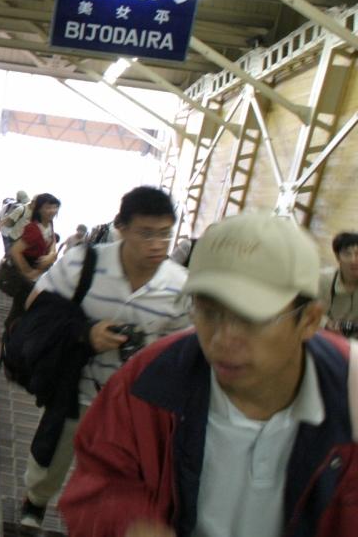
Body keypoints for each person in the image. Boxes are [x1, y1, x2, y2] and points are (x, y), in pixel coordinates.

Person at [60, 212, 358, 537]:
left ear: (309, 320)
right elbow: (98, 481)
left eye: (252, 318)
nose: (222, 340)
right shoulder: (148, 382)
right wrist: (129, 525)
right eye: (207, 311)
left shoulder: (350, 395)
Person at [18, 186, 190, 531]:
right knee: (56, 452)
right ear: (121, 227)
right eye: (146, 233)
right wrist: (86, 333)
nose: (157, 244)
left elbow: (181, 345)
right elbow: (35, 307)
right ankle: (34, 504)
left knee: (117, 472)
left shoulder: (179, 285)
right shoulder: (84, 263)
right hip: (76, 385)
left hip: (134, 401)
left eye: (165, 234)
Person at [1, 193, 61, 329]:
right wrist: (28, 272)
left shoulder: (49, 223)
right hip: (28, 276)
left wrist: (52, 255)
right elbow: (15, 251)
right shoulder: (33, 229)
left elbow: (52, 241)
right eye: (48, 207)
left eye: (55, 207)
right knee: (20, 309)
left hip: (38, 274)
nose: (53, 210)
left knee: (27, 308)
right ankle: (11, 334)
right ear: (39, 209)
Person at [320, 231, 358, 336]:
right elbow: (304, 310)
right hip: (321, 336)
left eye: (357, 254)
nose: (353, 260)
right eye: (347, 254)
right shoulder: (323, 280)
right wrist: (326, 323)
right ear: (338, 257)